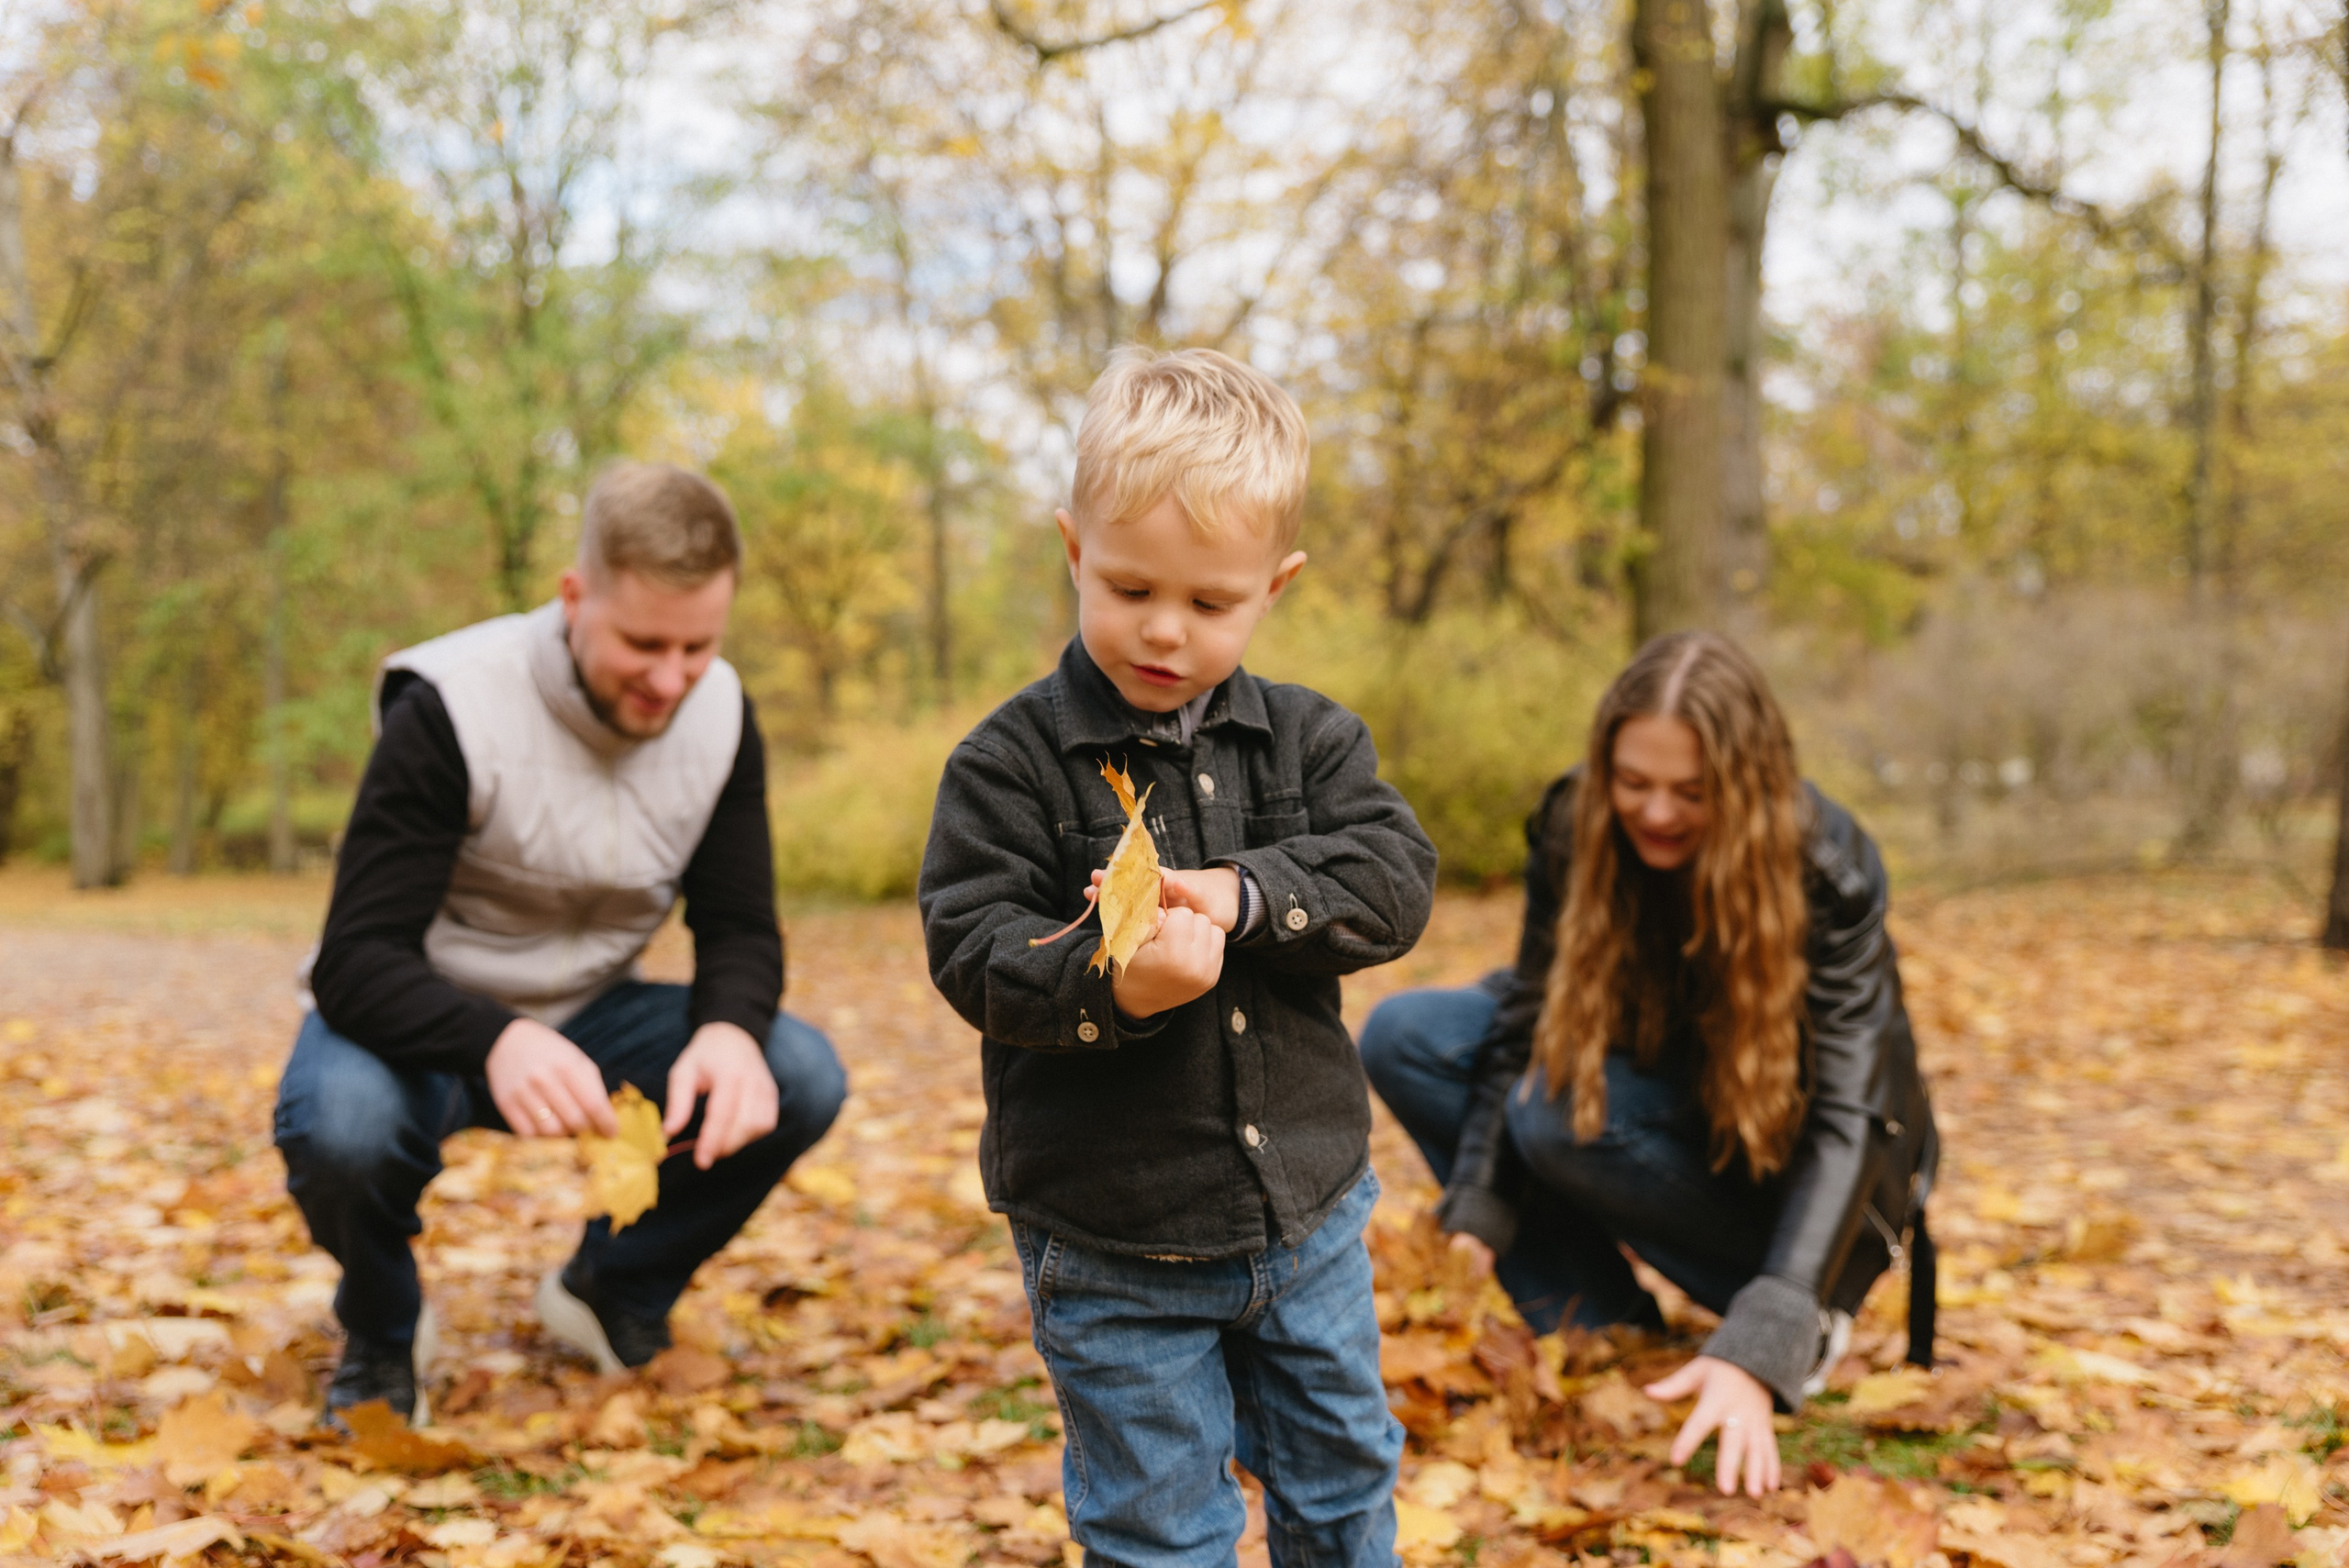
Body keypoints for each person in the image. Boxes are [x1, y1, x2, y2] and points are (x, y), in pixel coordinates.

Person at [918, 348, 1437, 1567]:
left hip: (1306, 1219)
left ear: (1275, 585)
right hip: (1111, 1242)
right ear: (1072, 548)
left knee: (1344, 1479)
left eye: (1210, 604)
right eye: (1129, 585)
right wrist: (1112, 982)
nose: (1163, 630)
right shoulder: (1009, 765)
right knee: (1160, 1522)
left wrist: (1253, 893)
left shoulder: (1310, 743)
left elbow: (1393, 875)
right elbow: (974, 949)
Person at [274, 462, 847, 1427]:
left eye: (698, 644)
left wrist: (728, 1030)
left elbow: (740, 924)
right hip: (421, 1017)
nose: (671, 678)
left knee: (795, 1071)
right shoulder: (450, 706)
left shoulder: (720, 715)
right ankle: (381, 1325)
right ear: (574, 595)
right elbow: (355, 958)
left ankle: (608, 1286)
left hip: (596, 1014)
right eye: (642, 642)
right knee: (342, 1126)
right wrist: (494, 1037)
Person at [1359, 631, 1938, 1499]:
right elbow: (1526, 1020)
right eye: (1634, 783)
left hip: (1806, 1206)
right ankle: (1607, 1326)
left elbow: (1854, 1114)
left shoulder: (1828, 867)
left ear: (1746, 785)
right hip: (1674, 1104)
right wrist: (1480, 1198)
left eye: (1692, 792)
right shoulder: (1576, 825)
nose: (1657, 813)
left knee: (1553, 1107)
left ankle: (1788, 1321)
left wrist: (1777, 1316)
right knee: (1409, 1032)